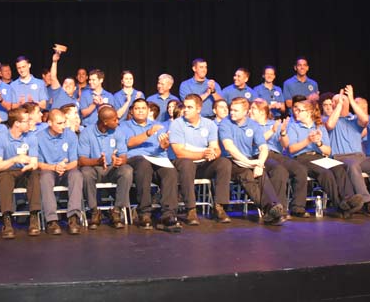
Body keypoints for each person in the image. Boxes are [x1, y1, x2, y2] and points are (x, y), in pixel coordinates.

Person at [284, 99, 364, 218]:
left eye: (300, 110)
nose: (297, 113)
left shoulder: (319, 127)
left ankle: (349, 199)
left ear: (309, 112)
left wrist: (319, 143)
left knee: (339, 167)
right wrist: (308, 140)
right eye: (296, 110)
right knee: (325, 173)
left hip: (318, 156)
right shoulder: (294, 126)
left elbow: (328, 151)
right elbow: (291, 149)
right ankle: (339, 205)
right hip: (302, 158)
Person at [324, 86, 370, 218]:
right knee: (353, 165)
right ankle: (367, 202)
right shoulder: (327, 119)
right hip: (340, 157)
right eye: (334, 101)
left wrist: (350, 99)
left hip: (360, 156)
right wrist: (339, 105)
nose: (335, 103)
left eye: (339, 101)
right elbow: (330, 125)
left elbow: (365, 120)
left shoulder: (354, 119)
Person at [218, 98, 287, 225]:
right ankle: (270, 209)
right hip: (230, 161)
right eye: (231, 110)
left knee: (261, 174)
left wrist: (260, 163)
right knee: (247, 175)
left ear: (245, 112)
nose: (231, 113)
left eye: (235, 110)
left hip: (248, 159)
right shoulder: (225, 123)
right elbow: (229, 147)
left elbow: (263, 147)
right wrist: (250, 163)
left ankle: (273, 208)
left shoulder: (253, 125)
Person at [169, 94, 232, 225]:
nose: (185, 109)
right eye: (184, 106)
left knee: (224, 163)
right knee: (186, 164)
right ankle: (191, 209)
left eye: (189, 107)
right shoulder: (177, 124)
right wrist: (203, 154)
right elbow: (179, 152)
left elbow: (216, 147)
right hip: (184, 165)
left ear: (198, 109)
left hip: (204, 165)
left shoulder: (209, 124)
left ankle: (220, 207)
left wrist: (213, 153)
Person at [120, 99, 181, 232]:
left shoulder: (158, 125)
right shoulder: (124, 126)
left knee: (170, 171)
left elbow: (163, 145)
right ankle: (145, 213)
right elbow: (129, 143)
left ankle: (168, 214)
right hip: (137, 159)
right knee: (144, 165)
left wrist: (164, 144)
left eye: (143, 108)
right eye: (137, 108)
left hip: (157, 158)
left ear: (148, 111)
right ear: (132, 111)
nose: (141, 110)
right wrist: (148, 133)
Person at [249, 99, 310, 217]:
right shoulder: (250, 125)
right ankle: (278, 209)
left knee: (300, 168)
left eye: (253, 108)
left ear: (262, 111)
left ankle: (298, 207)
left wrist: (282, 132)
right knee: (279, 170)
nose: (250, 111)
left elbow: (286, 145)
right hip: (260, 155)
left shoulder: (274, 124)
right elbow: (254, 143)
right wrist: (272, 131)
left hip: (277, 154)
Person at [78, 105, 133, 229]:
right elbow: (81, 160)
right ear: (105, 122)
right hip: (95, 169)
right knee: (85, 172)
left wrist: (119, 160)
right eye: (114, 120)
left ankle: (117, 211)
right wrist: (97, 161)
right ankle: (94, 211)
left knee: (127, 170)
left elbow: (124, 155)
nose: (117, 122)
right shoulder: (87, 133)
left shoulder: (118, 131)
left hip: (112, 168)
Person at [0, 108, 41, 239]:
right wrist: (15, 159)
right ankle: (7, 220)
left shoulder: (31, 137)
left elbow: (34, 162)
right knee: (4, 178)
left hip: (25, 171)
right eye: (27, 121)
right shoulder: (0, 138)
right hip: (8, 171)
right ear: (17, 123)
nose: (30, 123)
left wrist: (30, 165)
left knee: (34, 175)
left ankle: (34, 217)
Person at [36, 109, 84, 235]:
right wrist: (54, 167)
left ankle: (73, 217)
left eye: (64, 123)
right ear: (50, 123)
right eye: (59, 123)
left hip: (67, 169)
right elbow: (38, 163)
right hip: (49, 170)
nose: (63, 126)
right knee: (45, 178)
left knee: (77, 175)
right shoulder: (39, 137)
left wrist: (63, 168)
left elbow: (74, 162)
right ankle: (51, 220)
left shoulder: (70, 135)